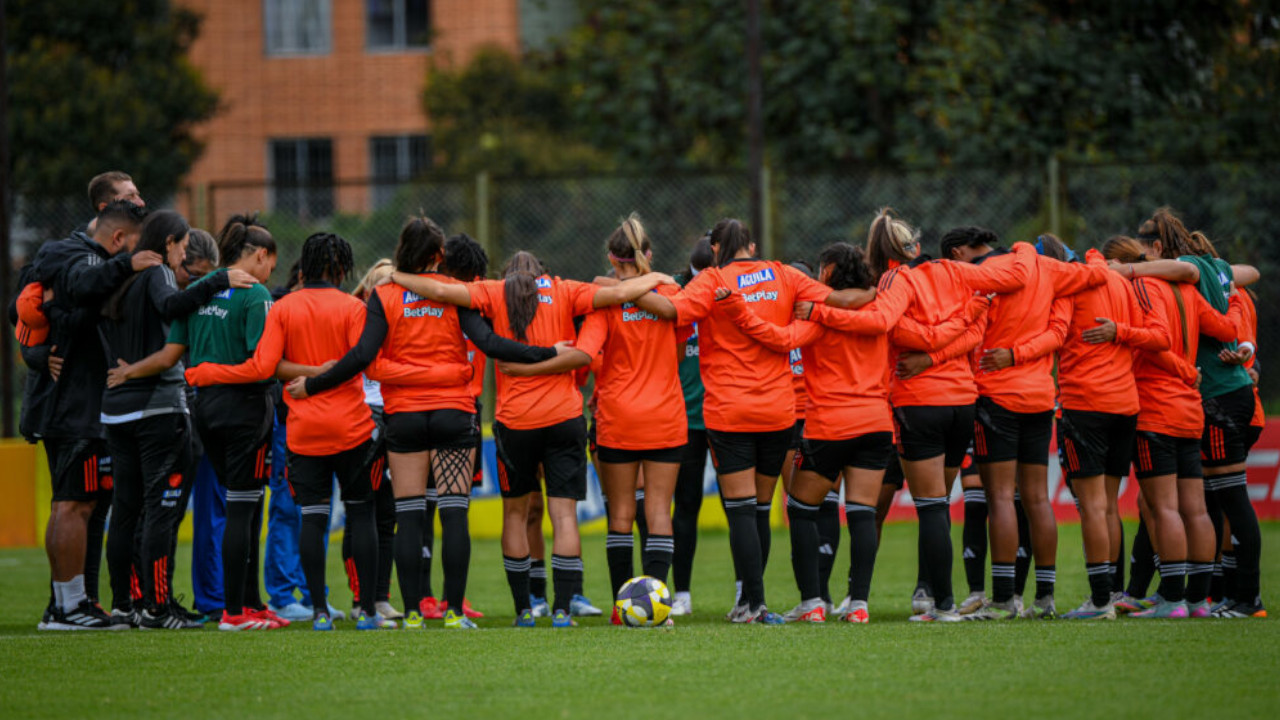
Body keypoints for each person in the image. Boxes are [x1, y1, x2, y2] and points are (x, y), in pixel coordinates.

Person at [290, 218, 563, 630]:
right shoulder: (456, 295)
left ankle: (414, 613)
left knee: (410, 514)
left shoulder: (384, 296)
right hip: (454, 413)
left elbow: (361, 357)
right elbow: (489, 344)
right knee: (454, 514)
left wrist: (313, 385)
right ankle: (454, 612)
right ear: (438, 257)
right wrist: (545, 353)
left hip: (405, 418)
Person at [387, 248, 673, 628]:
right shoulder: (565, 289)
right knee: (563, 515)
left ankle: (524, 609)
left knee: (516, 514)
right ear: (542, 271)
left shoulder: (494, 291)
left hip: (515, 422)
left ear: (508, 272)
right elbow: (620, 294)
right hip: (564, 418)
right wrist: (657, 278)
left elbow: (441, 293)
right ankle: (561, 610)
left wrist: (398, 276)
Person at [716, 240, 981, 623]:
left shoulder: (816, 315)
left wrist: (739, 313)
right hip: (875, 425)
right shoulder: (882, 310)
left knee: (800, 509)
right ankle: (859, 604)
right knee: (861, 513)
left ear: (827, 273)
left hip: (828, 426)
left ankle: (812, 604)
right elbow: (910, 329)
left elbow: (783, 341)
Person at [630, 219, 875, 625]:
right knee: (762, 508)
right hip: (779, 411)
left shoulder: (712, 279)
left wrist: (631, 290)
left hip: (731, 410)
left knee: (741, 509)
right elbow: (841, 300)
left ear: (716, 246)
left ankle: (753, 604)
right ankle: (755, 603)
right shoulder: (785, 274)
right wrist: (871, 290)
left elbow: (671, 310)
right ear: (752, 245)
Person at [185, 232, 385, 631]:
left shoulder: (282, 306)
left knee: (311, 518)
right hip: (352, 426)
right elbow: (366, 365)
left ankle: (319, 613)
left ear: (305, 266)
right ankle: (366, 609)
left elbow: (267, 366)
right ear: (342, 268)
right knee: (362, 516)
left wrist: (206, 373)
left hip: (304, 429)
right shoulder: (353, 308)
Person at [496, 215, 687, 625]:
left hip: (618, 416)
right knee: (657, 512)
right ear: (648, 254)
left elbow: (582, 355)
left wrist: (526, 368)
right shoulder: (671, 294)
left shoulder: (605, 304)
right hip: (667, 415)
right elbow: (685, 337)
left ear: (610, 258)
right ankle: (657, 610)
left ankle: (622, 610)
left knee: (620, 515)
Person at [865, 209, 1032, 619]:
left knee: (931, 507)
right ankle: (934, 595)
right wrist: (1027, 249)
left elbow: (887, 324)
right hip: (962, 403)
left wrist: (929, 348)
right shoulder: (956, 272)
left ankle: (940, 604)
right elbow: (1008, 287)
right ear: (916, 247)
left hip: (918, 402)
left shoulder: (893, 279)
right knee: (938, 505)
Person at [942, 226, 1110, 620]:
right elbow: (1091, 279)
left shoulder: (985, 275)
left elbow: (970, 330)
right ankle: (1045, 599)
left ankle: (1003, 600)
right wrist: (1095, 255)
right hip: (1039, 398)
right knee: (1037, 499)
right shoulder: (1047, 269)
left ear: (960, 252)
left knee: (1000, 497)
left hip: (996, 395)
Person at [97, 210, 253, 629]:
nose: (183, 259)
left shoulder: (118, 279)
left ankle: (125, 603)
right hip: (157, 409)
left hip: (115, 410)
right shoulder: (156, 274)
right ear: (168, 243)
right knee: (161, 511)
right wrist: (219, 280)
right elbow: (171, 310)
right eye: (182, 248)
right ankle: (157, 607)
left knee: (126, 512)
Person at [1120, 210, 1264, 618]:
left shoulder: (1182, 277)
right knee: (1208, 505)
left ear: (1158, 249)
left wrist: (1127, 270)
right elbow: (1247, 273)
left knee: (1221, 502)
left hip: (1211, 396)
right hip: (1224, 396)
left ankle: (1242, 598)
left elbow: (1181, 291)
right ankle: (1210, 596)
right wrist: (1235, 320)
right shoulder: (1214, 270)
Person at [26, 201, 158, 630]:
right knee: (72, 505)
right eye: (134, 245)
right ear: (119, 238)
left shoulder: (73, 259)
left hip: (81, 406)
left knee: (76, 504)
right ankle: (67, 607)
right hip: (74, 409)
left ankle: (68, 603)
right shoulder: (83, 259)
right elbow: (81, 286)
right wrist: (127, 267)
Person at [1049, 244, 1171, 620]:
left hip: (1085, 403)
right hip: (1125, 404)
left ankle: (1100, 600)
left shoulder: (1071, 286)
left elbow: (1054, 336)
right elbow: (1155, 336)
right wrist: (1120, 332)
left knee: (1093, 506)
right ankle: (1113, 593)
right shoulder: (1123, 285)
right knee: (1109, 505)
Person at [669, 236, 715, 617]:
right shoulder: (671, 290)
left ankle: (745, 591)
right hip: (686, 417)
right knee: (686, 504)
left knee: (743, 507)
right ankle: (680, 591)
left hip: (730, 412)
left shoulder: (733, 289)